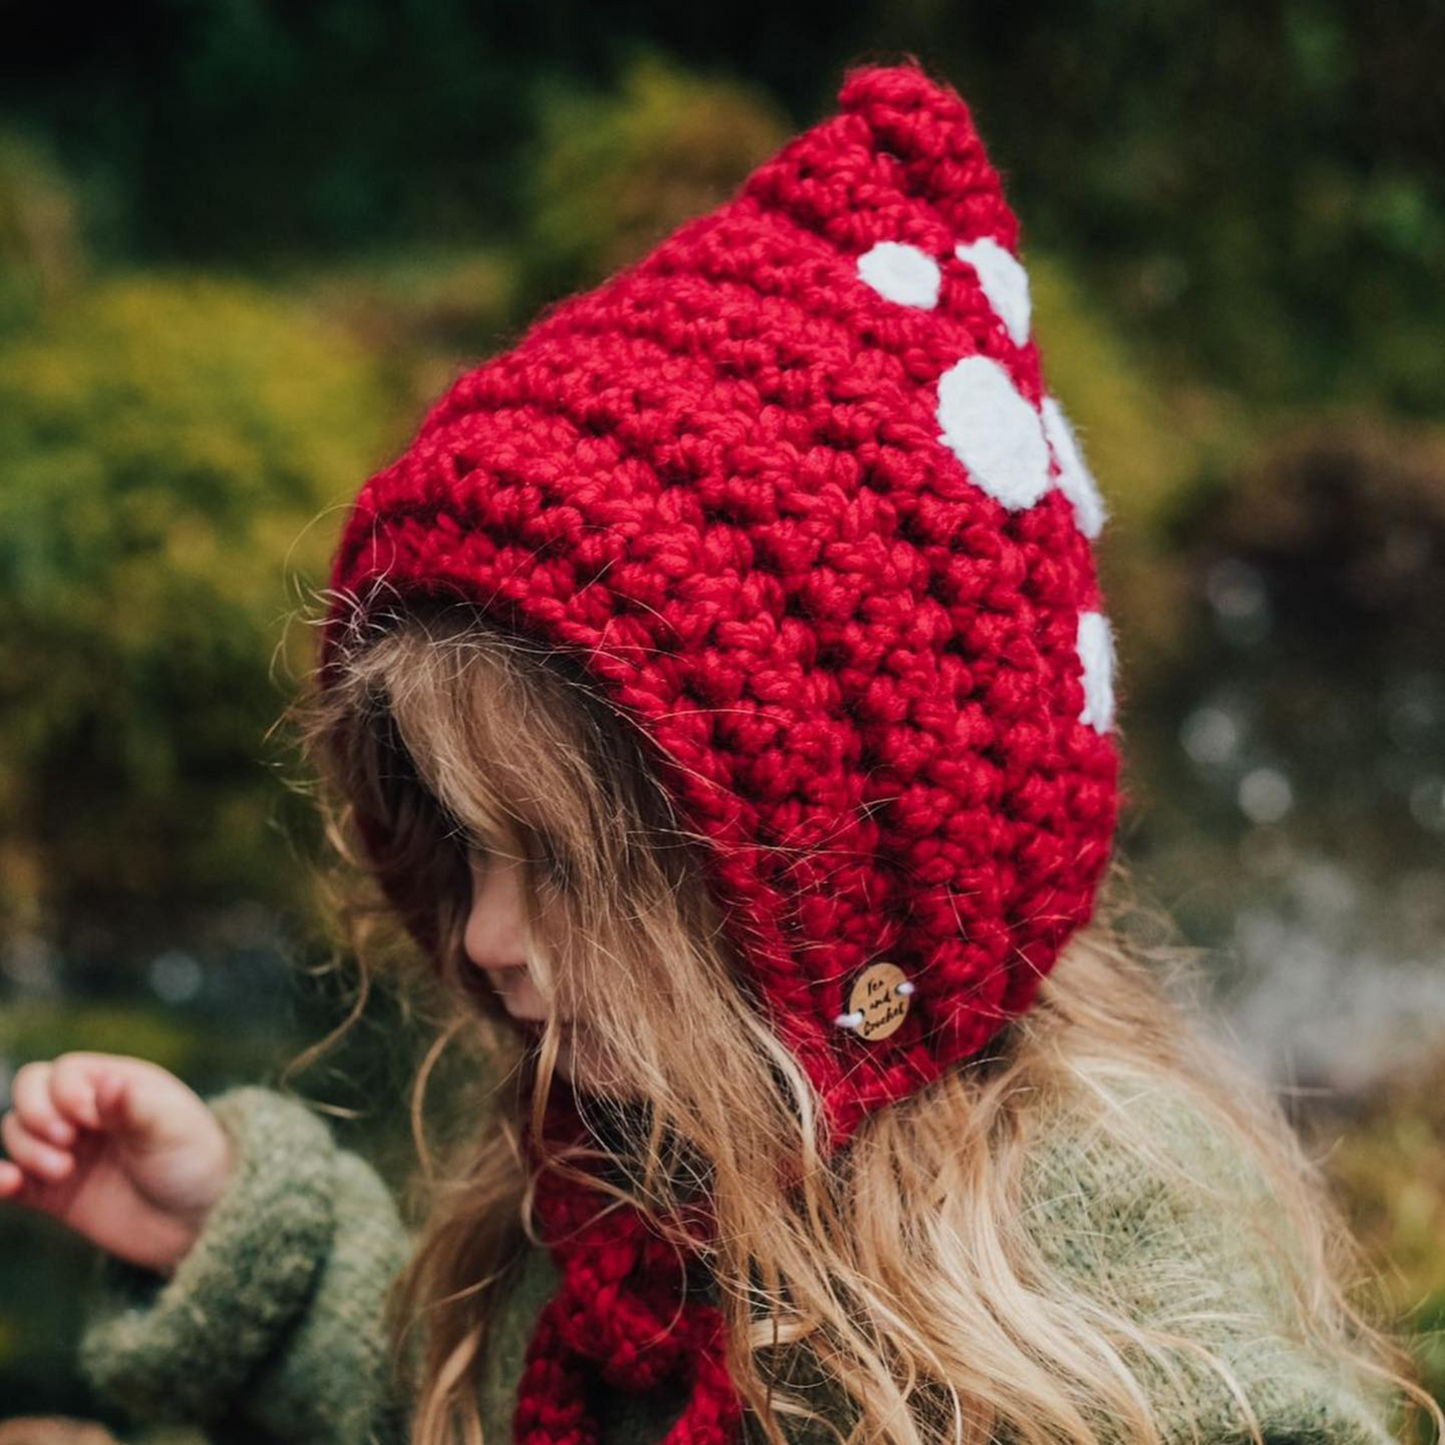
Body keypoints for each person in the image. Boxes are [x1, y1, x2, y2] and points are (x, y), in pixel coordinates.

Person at [0, 55, 1435, 1445]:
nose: (490, 934)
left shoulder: (1096, 1279)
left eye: (561, 862)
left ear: (836, 887)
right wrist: (258, 1262)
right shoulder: (607, 1190)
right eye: (466, 845)